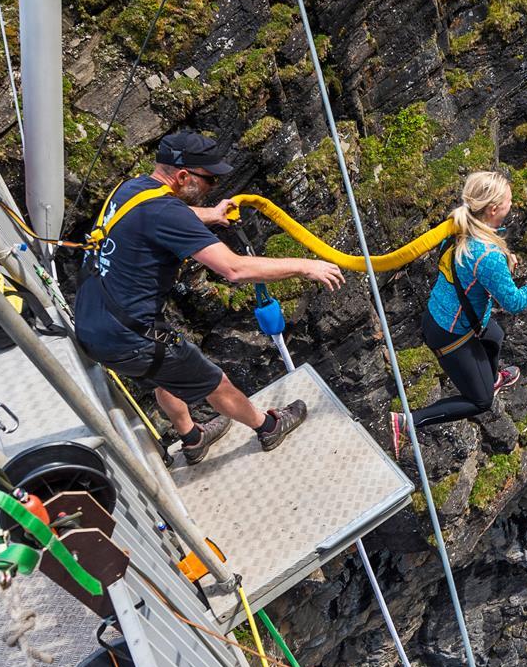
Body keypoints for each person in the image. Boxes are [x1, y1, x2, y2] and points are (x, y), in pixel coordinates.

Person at [74, 131, 344, 461]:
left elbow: (165, 213)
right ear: (183, 176)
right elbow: (234, 269)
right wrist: (304, 266)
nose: (213, 186)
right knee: (215, 382)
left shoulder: (131, 189)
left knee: (163, 374)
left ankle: (192, 439)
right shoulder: (166, 213)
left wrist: (212, 215)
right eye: (209, 179)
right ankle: (268, 427)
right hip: (131, 336)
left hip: (92, 321)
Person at [392, 171, 527, 457]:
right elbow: (513, 302)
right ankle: (408, 422)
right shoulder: (486, 255)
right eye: (509, 200)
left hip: (443, 315)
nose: (513, 203)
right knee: (482, 401)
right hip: (450, 334)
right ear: (493, 209)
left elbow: (472, 269)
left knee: (494, 334)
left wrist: (503, 262)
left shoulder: (462, 226)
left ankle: (492, 377)